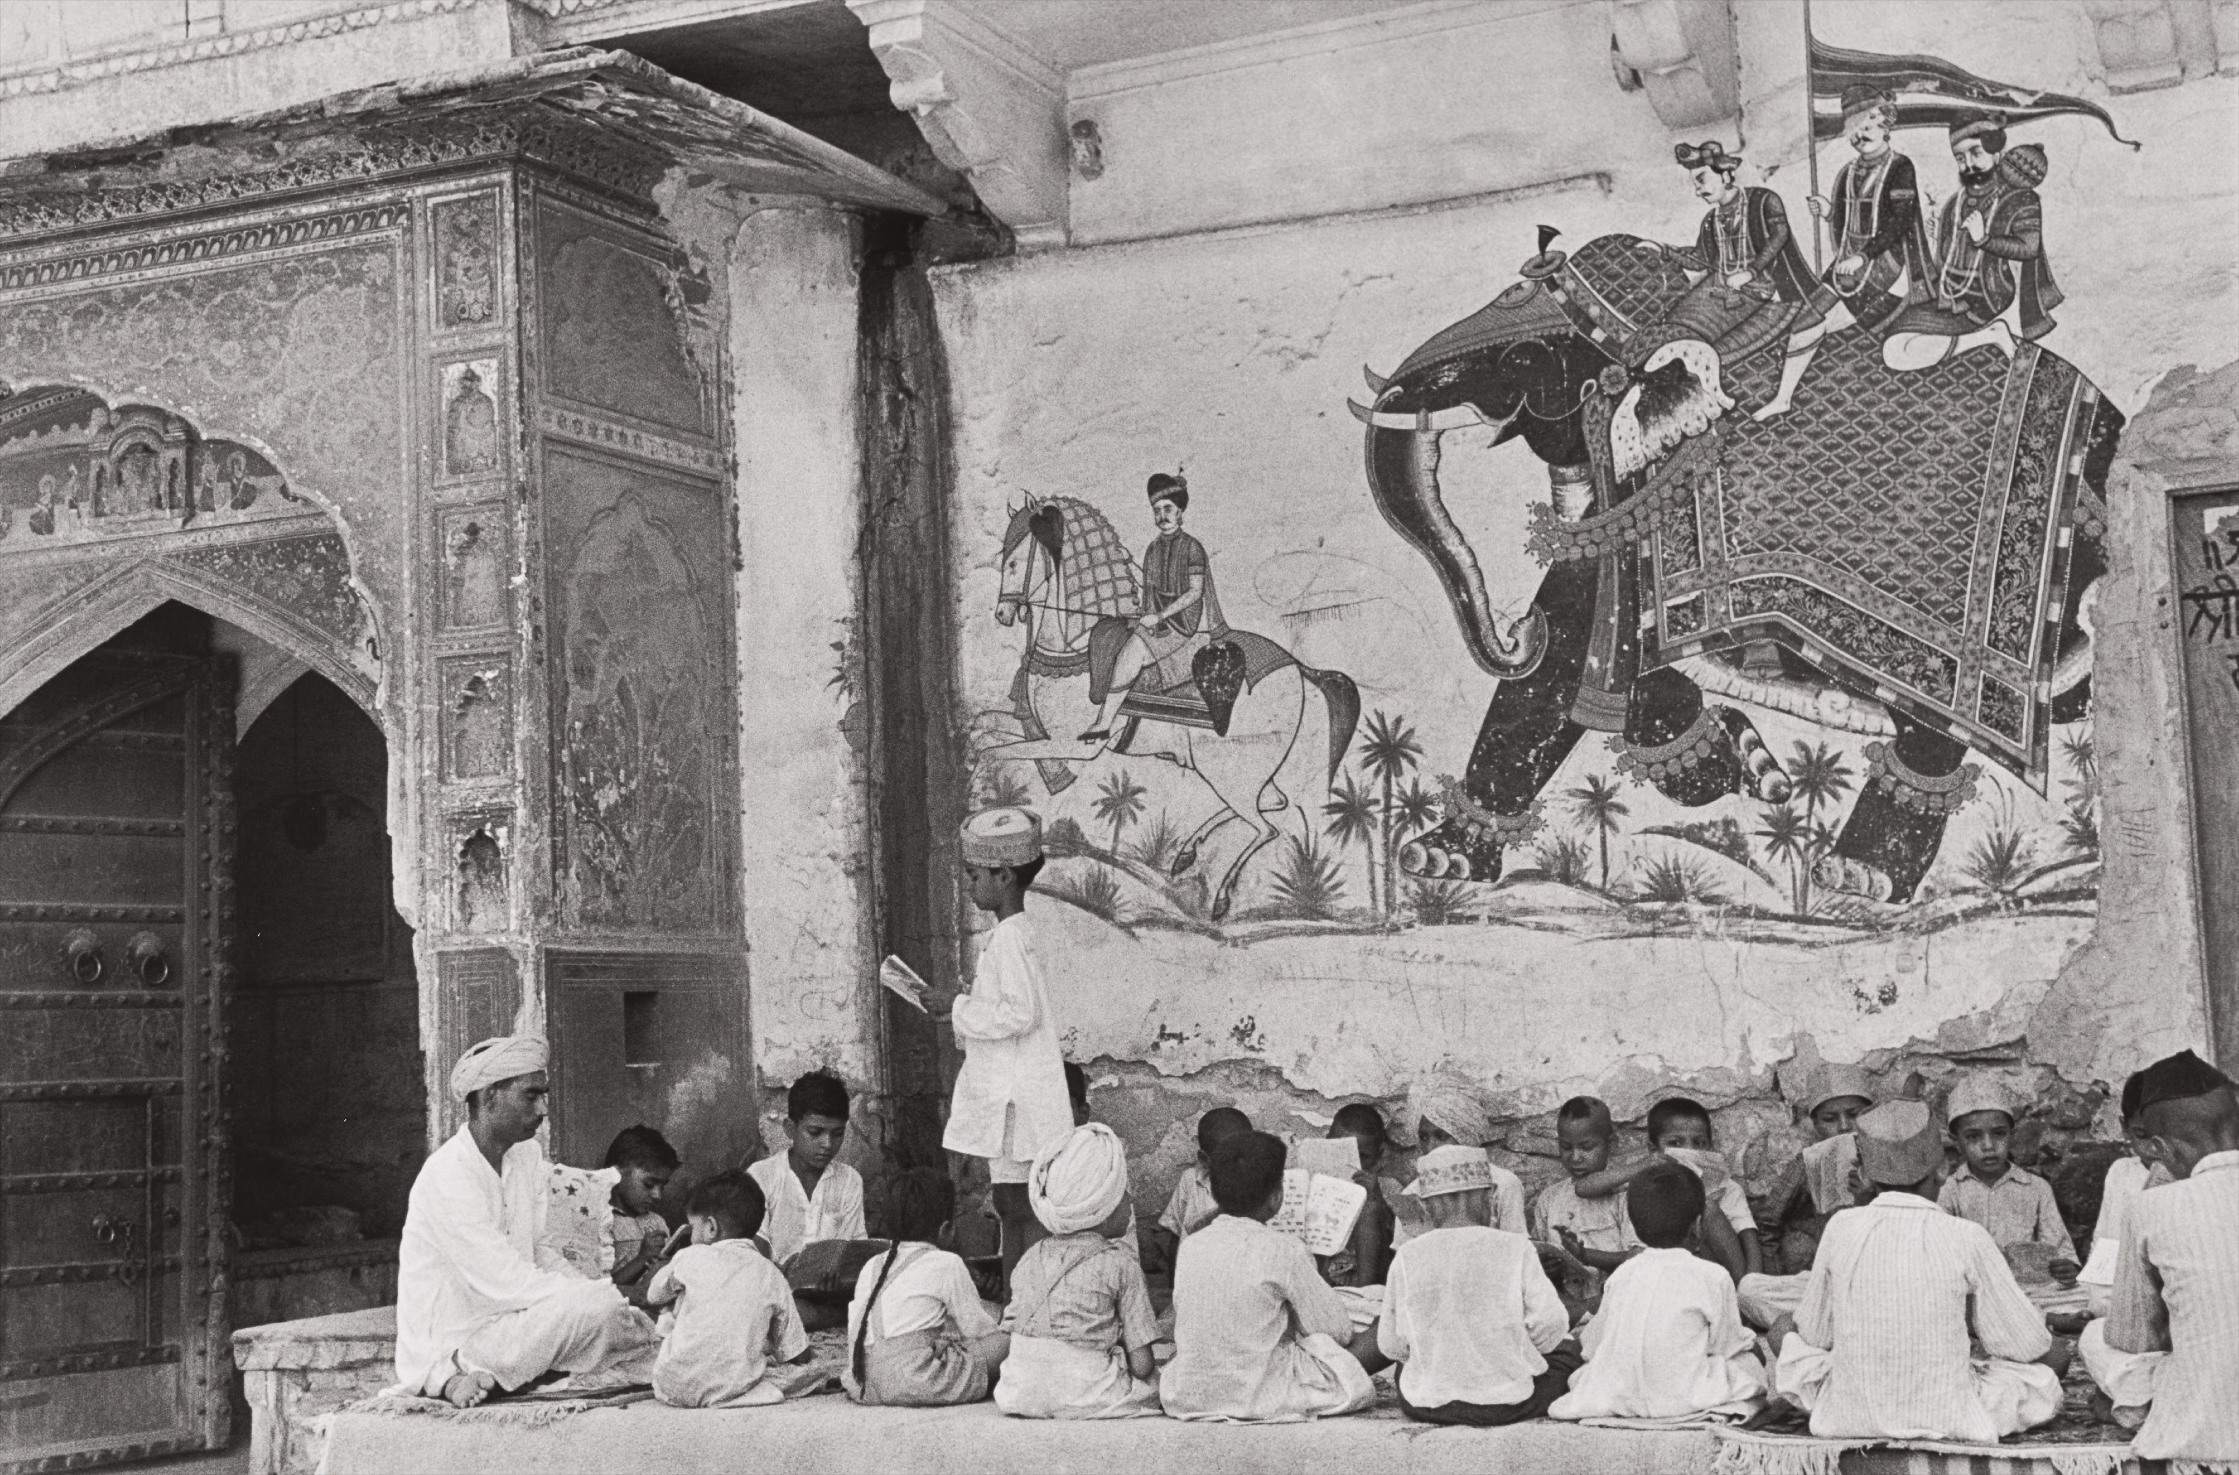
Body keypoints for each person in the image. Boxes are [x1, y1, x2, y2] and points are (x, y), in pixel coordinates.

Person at [1770, 1099, 2064, 1441]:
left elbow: (1816, 1335)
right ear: (1942, 1169)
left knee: (1781, 1328)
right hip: (1950, 1414)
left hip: (1851, 1413)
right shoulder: (1967, 1235)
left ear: (1866, 1174)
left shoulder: (1841, 1226)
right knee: (2054, 1355)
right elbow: (2024, 1344)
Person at [394, 1036, 656, 1407]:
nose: (543, 1108)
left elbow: (540, 1250)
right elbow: (501, 1281)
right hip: (459, 1333)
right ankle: (453, 1371)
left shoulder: (525, 1157)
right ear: (489, 1097)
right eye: (531, 1096)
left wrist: (595, 1294)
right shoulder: (447, 1174)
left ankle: (523, 1374)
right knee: (601, 1308)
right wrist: (606, 1297)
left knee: (608, 1313)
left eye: (544, 1095)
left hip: (514, 1321)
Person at [927, 807, 1072, 1296]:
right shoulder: (1011, 936)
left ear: (1004, 876)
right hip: (1017, 1095)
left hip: (1019, 1099)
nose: (970, 887)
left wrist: (958, 1005)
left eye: (974, 876)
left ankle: (1024, 1299)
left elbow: (1019, 1013)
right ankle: (1019, 1298)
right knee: (1014, 1204)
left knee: (1023, 1205)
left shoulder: (1010, 937)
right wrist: (965, 1004)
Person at [2081, 1050, 2239, 1463]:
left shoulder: (2151, 1207)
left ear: (2161, 1147)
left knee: (2095, 1338)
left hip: (2210, 1429)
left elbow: (2133, 1339)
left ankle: (2140, 1409)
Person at [1158, 1131, 1378, 1422]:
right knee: (1382, 1327)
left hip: (1189, 1394)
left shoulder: (1191, 1245)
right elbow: (1337, 1330)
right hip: (1260, 1392)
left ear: (1212, 1192)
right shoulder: (1285, 1249)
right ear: (1277, 1197)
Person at [1755, 87, 1933, 419]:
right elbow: (1845, 218)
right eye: (1854, 129)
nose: (1860, 135)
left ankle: (1786, 393)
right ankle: (1784, 395)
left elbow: (1900, 221)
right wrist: (1827, 212)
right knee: (1810, 319)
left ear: (1886, 126)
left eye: (1869, 126)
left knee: (1812, 320)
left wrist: (1864, 256)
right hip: (1847, 265)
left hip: (1886, 266)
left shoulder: (1899, 167)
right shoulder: (1848, 171)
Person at [1376, 1145, 1578, 1425]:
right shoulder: (1516, 1247)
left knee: (1407, 1368)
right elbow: (1551, 1323)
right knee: (1570, 1353)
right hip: (1506, 1404)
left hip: (1426, 1405)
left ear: (1425, 1205)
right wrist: (1519, 1354)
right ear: (1490, 1197)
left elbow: (1390, 1345)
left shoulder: (1407, 1255)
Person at [1550, 1161, 1766, 1422]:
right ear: (1698, 1225)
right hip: (1684, 1397)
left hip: (1622, 1396)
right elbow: (1727, 1345)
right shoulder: (1713, 1275)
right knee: (1752, 1360)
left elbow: (1593, 1345)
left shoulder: (1623, 1275)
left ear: (1635, 1226)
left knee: (1591, 1372)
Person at [996, 1124, 1162, 1419]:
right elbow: (1142, 1364)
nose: (1130, 1202)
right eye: (1124, 1194)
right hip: (1083, 1392)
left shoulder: (1030, 1257)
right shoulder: (1121, 1263)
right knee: (1158, 1380)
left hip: (1017, 1391)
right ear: (1104, 1206)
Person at [1634, 141, 1821, 400]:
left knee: (1693, 336)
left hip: (1755, 290)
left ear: (1726, 175)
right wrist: (1664, 250)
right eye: (1695, 184)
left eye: (1701, 180)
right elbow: (1701, 260)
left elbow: (1779, 236)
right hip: (1715, 287)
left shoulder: (1764, 201)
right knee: (1672, 329)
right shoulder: (1711, 220)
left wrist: (1751, 272)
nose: (1698, 191)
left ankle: (1702, 397)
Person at [1884, 116, 2062, 372]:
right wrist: (1939, 238)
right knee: (1893, 343)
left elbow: (2028, 247)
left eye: (1976, 153)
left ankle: (1990, 335)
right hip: (1948, 294)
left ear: (1997, 153)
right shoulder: (1956, 202)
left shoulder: (2021, 199)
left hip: (1986, 296)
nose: (1968, 164)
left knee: (1897, 353)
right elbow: (1945, 257)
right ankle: (1983, 338)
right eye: (1959, 158)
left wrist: (1984, 239)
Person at [1080, 472, 1228, 746]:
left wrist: (1159, 616)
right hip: (1157, 620)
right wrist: (1143, 614)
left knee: (1132, 652)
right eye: (1157, 510)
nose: (1162, 515)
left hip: (1181, 624)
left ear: (1180, 511)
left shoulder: (1193, 548)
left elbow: (1195, 593)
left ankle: (1103, 723)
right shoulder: (1152, 549)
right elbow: (1150, 593)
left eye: (1168, 509)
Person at [844, 1168, 1009, 1406]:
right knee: (1007, 1343)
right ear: (946, 1230)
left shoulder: (872, 1264)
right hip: (914, 1380)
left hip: (863, 1383)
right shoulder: (947, 1262)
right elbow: (979, 1331)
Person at [645, 1171, 809, 1408]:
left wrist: (665, 1271)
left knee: (672, 1308)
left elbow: (653, 1296)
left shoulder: (689, 1256)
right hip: (733, 1385)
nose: (691, 1237)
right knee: (761, 1371)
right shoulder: (770, 1272)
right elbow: (798, 1353)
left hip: (672, 1386)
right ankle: (734, 1394)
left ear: (711, 1228)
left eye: (693, 1228)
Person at [1740, 1066, 1873, 1329]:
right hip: (1826, 1283)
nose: (1844, 1127)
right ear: (1816, 1125)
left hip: (1880, 1280)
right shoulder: (1808, 1164)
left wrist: (1869, 1201)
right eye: (1830, 1119)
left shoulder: (1891, 1156)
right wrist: (1776, 1274)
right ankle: (1832, 1322)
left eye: (1854, 1115)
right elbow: (1767, 1221)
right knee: (1750, 1291)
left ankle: (1821, 1325)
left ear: (1871, 1115)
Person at [1565, 1097, 1756, 1278]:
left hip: (1715, 1273)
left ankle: (1742, 1295)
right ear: (1653, 1149)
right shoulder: (1647, 1184)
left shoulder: (1726, 1186)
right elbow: (1584, 1188)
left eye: (1698, 1143)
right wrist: (1644, 1165)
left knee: (1709, 1208)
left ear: (1710, 1147)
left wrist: (1753, 1284)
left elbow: (1749, 1238)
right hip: (1661, 1274)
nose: (1688, 1150)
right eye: (1675, 1143)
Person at [747, 1070, 870, 1330]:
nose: (827, 1144)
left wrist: (838, 1278)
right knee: (773, 1306)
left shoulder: (849, 1180)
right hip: (774, 1292)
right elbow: (754, 1252)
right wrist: (785, 1274)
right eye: (815, 1132)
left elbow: (853, 1251)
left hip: (829, 1297)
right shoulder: (762, 1176)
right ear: (790, 1129)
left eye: (837, 1134)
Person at [1938, 1074, 2078, 1279]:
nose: (1988, 1146)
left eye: (1998, 1134)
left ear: (2011, 1134)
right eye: (1973, 1136)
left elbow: (2060, 1251)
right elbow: (1941, 1255)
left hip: (2026, 1292)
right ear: (1956, 1141)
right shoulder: (1949, 1190)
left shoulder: (2035, 1188)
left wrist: (2065, 1267)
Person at [2077, 1069, 2174, 1295]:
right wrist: (2093, 1291)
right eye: (2141, 1135)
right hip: (2119, 1293)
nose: (2154, 1146)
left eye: (2165, 1134)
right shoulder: (2121, 1173)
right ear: (2124, 1128)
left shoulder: (2190, 1177)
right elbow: (2103, 1245)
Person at [1398, 1075, 1526, 1244]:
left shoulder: (1504, 1184)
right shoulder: (1411, 1194)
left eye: (1441, 1136)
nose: (1431, 1147)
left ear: (1464, 1133)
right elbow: (1405, 1256)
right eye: (1423, 1137)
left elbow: (1517, 1248)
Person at [1534, 1096, 1642, 1272]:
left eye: (1587, 1147)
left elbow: (1638, 1259)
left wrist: (1583, 1255)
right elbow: (1537, 1254)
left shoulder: (1627, 1195)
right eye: (1566, 1147)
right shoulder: (1549, 1199)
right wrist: (1545, 1266)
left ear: (1611, 1144)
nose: (1575, 1157)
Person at [1148, 1106, 1251, 1272]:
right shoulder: (1190, 1181)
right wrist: (1175, 1282)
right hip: (1195, 1279)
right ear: (1205, 1159)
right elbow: (1174, 1233)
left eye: (1246, 1155)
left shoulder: (1259, 1183)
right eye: (1227, 1161)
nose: (1239, 1165)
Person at [602, 1125, 678, 1302]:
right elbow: (598, 1289)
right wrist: (642, 1258)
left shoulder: (657, 1222)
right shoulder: (601, 1220)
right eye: (649, 1184)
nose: (658, 1195)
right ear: (617, 1173)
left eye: (663, 1186)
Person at [1324, 1103, 1394, 1287]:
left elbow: (1391, 1240)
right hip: (1320, 1269)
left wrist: (1375, 1199)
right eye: (1341, 1150)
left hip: (1361, 1273)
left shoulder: (1386, 1187)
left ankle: (1363, 1295)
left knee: (1369, 1209)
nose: (1351, 1162)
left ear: (1378, 1157)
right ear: (1326, 1142)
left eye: (1362, 1156)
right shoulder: (1314, 1176)